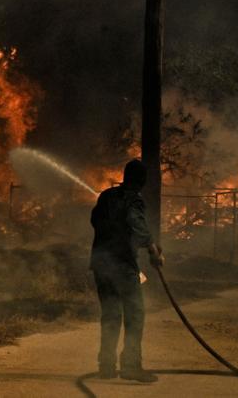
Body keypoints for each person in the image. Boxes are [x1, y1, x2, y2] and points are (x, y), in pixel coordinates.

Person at [89, 158, 165, 382]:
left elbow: (94, 221)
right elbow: (137, 224)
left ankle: (106, 367)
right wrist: (152, 250)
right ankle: (131, 366)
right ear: (141, 181)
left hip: (101, 265)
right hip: (122, 266)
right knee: (134, 315)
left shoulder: (106, 196)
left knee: (111, 314)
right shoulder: (134, 200)